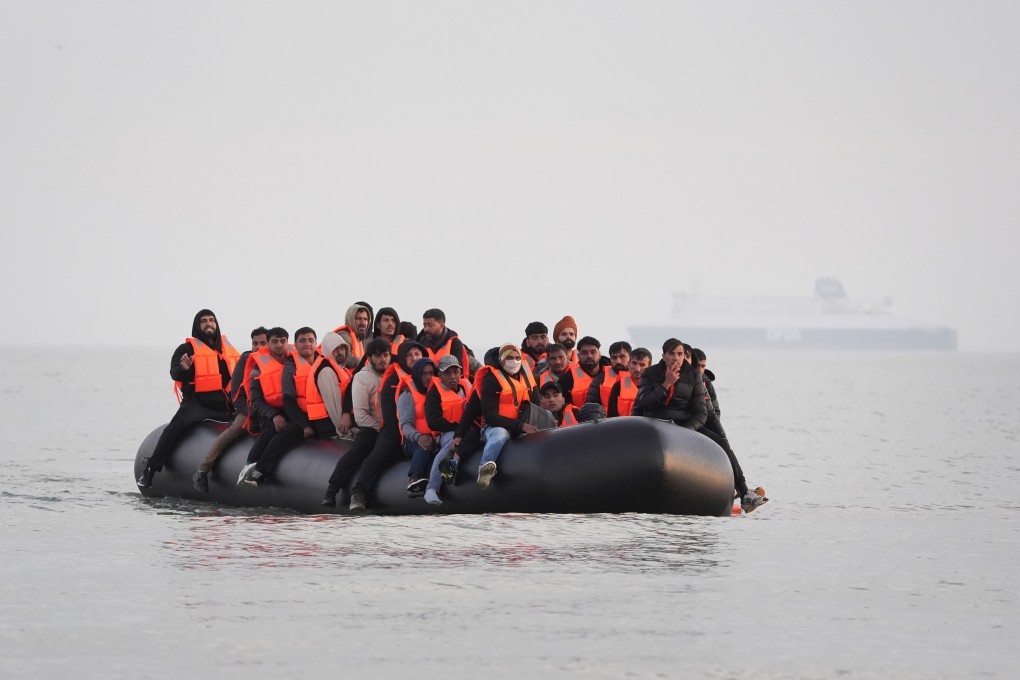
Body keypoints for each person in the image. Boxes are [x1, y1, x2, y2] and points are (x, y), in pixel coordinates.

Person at [636, 338, 765, 512]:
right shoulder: (650, 374)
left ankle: (745, 493)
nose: (676, 358)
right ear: (664, 355)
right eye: (672, 354)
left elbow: (701, 413)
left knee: (721, 442)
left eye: (680, 354)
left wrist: (685, 433)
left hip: (684, 426)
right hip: (657, 424)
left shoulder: (693, 376)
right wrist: (666, 384)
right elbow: (645, 403)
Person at [137, 309, 240, 488]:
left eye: (212, 320)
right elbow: (174, 373)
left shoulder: (227, 350)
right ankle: (150, 470)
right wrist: (184, 369)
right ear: (197, 326)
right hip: (197, 404)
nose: (209, 324)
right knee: (174, 428)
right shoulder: (186, 350)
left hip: (225, 405)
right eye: (204, 321)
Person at [346, 339, 427, 510]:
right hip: (395, 431)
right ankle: (358, 493)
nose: (413, 358)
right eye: (409, 355)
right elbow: (390, 416)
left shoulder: (430, 376)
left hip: (425, 432)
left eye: (417, 354)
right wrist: (408, 436)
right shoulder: (393, 379)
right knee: (378, 455)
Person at [239, 327, 324, 486]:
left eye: (283, 341)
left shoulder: (298, 360)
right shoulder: (259, 368)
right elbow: (256, 400)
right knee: (274, 428)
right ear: (269, 345)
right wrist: (273, 415)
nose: (279, 345)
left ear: (288, 343)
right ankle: (251, 464)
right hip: (267, 412)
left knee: (288, 427)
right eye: (275, 342)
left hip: (293, 411)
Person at [193, 326, 268, 492]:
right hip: (249, 411)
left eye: (263, 342)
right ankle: (203, 470)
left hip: (270, 411)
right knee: (235, 430)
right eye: (255, 343)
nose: (259, 346)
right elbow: (235, 394)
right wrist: (250, 414)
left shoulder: (279, 360)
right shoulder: (245, 360)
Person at [321, 338, 391, 508]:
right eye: (377, 356)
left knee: (382, 453)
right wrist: (382, 429)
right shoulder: (362, 378)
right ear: (369, 358)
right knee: (359, 450)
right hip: (373, 427)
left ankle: (360, 493)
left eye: (386, 355)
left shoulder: (395, 373)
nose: (383, 359)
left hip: (393, 429)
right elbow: (360, 416)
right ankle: (332, 490)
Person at [474, 343, 539, 490]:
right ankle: (485, 467)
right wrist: (520, 426)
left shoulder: (527, 376)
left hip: (522, 426)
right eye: (509, 357)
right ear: (501, 359)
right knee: (500, 433)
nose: (514, 361)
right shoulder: (491, 379)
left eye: (517, 357)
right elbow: (490, 417)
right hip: (494, 428)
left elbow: (537, 403)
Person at [422, 354, 472, 505]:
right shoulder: (434, 394)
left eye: (456, 372)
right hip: (445, 433)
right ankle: (431, 488)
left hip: (468, 431)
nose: (453, 377)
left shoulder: (466, 387)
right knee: (452, 442)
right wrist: (459, 429)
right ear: (440, 375)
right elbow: (433, 422)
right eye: (447, 373)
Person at [397, 357, 439, 496]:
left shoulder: (439, 392)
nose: (428, 377)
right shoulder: (407, 394)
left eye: (431, 373)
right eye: (424, 373)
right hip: (413, 441)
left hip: (436, 437)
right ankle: (415, 476)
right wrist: (419, 437)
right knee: (425, 444)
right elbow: (405, 426)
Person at [307, 332, 354, 438]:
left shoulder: (339, 368)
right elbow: (333, 406)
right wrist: (344, 434)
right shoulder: (326, 371)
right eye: (335, 349)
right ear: (328, 351)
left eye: (342, 348)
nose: (340, 352)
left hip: (337, 425)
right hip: (330, 428)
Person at [558, 336, 611, 408]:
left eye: (593, 352)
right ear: (578, 356)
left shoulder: (615, 374)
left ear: (599, 355)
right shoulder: (566, 380)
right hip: (582, 418)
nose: (589, 356)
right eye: (584, 353)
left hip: (613, 419)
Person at [584, 339, 632, 410]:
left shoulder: (639, 378)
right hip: (607, 420)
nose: (618, 361)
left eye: (622, 357)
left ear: (630, 358)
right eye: (614, 358)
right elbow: (592, 408)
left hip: (635, 421)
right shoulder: (599, 380)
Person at [606, 347, 652, 417]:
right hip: (622, 427)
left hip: (646, 427)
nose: (637, 369)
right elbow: (611, 417)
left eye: (642, 365)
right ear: (629, 364)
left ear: (649, 367)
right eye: (634, 363)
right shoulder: (618, 387)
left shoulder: (655, 387)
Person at [330, 303, 372, 368]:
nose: (363, 323)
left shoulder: (359, 338)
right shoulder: (344, 335)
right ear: (351, 319)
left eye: (365, 319)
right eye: (358, 319)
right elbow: (345, 355)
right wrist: (363, 365)